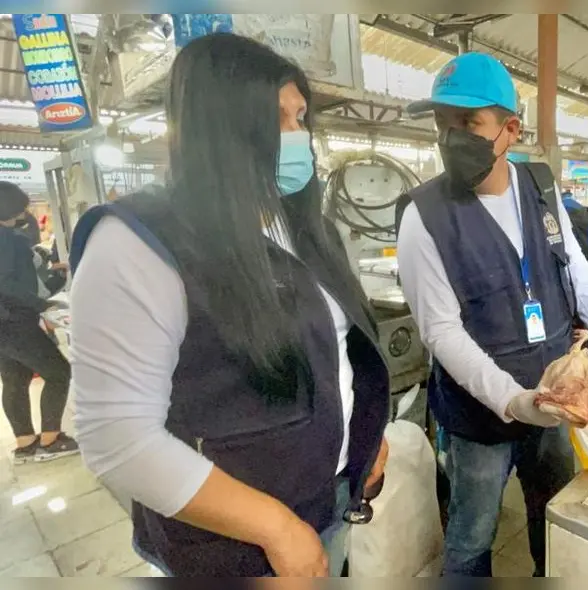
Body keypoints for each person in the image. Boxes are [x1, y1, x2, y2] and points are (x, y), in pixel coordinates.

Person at [68, 34, 390, 577]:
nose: (299, 136)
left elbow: (336, 351)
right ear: (223, 128)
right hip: (232, 547)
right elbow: (116, 436)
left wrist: (368, 437)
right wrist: (276, 528)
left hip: (326, 505)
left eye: (302, 117)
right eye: (278, 119)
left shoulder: (303, 225)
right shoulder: (140, 243)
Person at [396, 52, 588, 577]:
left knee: (553, 516)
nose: (452, 136)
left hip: (558, 398)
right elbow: (440, 330)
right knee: (472, 533)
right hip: (479, 415)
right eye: (443, 123)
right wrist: (513, 401)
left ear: (510, 129)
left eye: (469, 122)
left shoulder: (540, 187)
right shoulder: (423, 216)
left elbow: (572, 265)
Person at [0, 182, 76, 464]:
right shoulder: (6, 238)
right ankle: (51, 439)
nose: (25, 211)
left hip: (3, 325)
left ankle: (26, 444)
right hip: (14, 321)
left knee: (14, 379)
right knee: (58, 372)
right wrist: (42, 305)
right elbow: (5, 282)